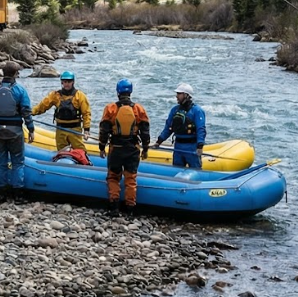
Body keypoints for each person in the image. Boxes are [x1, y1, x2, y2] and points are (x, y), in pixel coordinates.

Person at [0, 62, 33, 203]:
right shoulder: (20, 90)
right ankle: (18, 195)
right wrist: (31, 129)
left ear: (3, 72)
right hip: (15, 132)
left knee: (1, 162)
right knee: (18, 163)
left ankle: (1, 194)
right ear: (16, 74)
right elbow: (26, 112)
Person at [98, 78, 150, 214]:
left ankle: (114, 207)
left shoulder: (111, 109)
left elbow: (104, 130)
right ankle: (130, 208)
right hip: (132, 149)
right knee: (130, 179)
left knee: (113, 177)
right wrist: (145, 149)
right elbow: (145, 132)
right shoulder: (139, 109)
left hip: (116, 148)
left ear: (118, 92)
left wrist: (101, 147)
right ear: (130, 92)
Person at [31, 70, 92, 150]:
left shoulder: (80, 96)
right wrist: (31, 112)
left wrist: (86, 129)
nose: (67, 84)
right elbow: (43, 106)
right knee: (61, 151)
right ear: (62, 82)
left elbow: (86, 113)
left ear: (73, 82)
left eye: (69, 81)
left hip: (75, 129)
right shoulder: (55, 95)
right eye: (65, 82)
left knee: (80, 151)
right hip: (61, 129)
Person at [154, 82, 206, 169]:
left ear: (186, 95)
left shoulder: (197, 111)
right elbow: (168, 128)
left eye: (179, 94)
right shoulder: (175, 110)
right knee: (176, 169)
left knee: (196, 169)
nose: (176, 96)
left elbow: (201, 129)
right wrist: (159, 142)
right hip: (178, 147)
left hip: (191, 147)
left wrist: (200, 146)